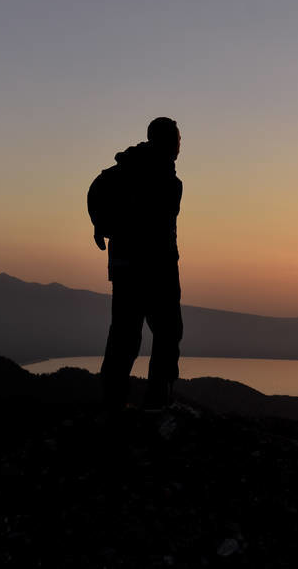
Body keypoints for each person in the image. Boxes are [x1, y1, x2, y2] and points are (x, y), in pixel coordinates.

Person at [88, 117, 183, 411]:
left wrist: (101, 227)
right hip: (155, 268)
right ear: (167, 140)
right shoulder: (159, 176)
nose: (180, 144)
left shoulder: (126, 169)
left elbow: (95, 191)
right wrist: (102, 225)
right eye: (177, 138)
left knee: (125, 335)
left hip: (127, 266)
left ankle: (114, 400)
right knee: (165, 333)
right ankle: (157, 400)